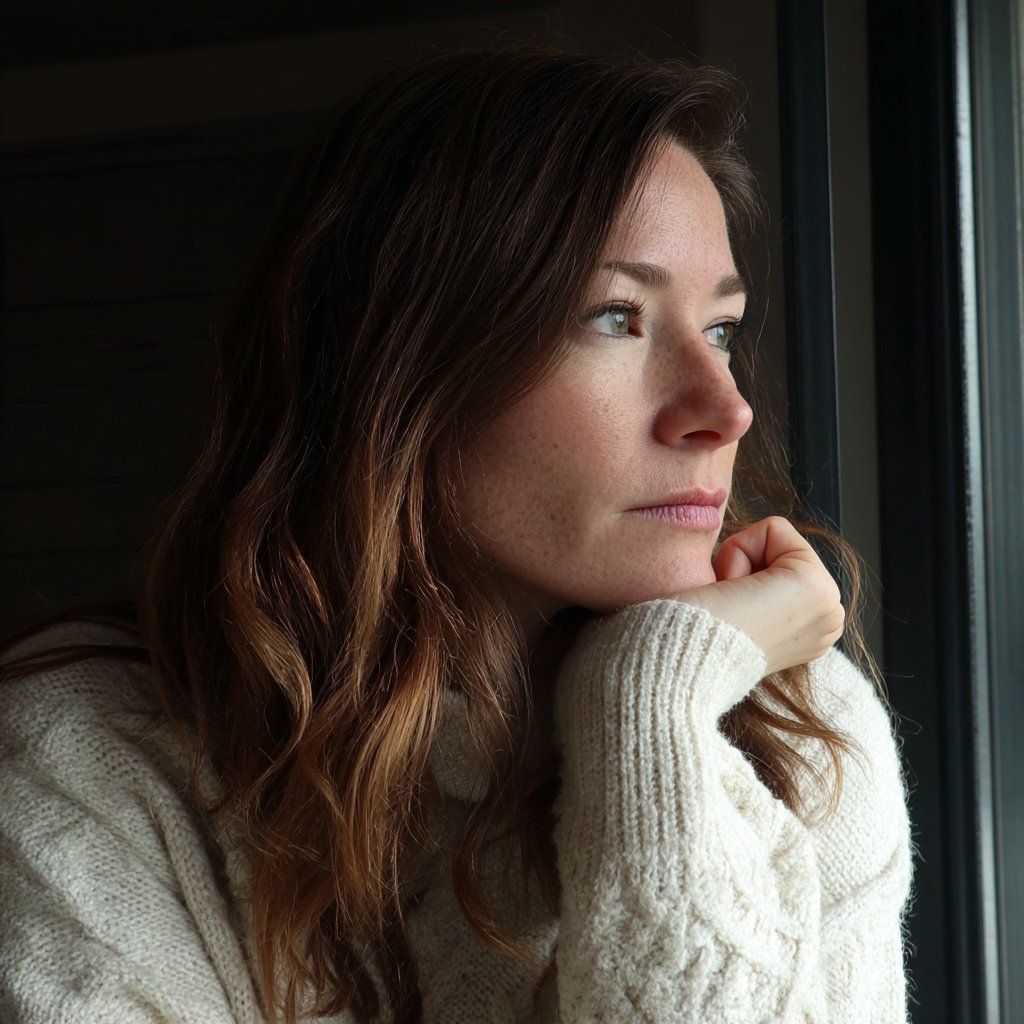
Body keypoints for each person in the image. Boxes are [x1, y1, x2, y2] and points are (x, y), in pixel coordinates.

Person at [0, 48, 913, 1023]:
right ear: (405, 368)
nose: (721, 410)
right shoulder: (89, 758)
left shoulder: (798, 731)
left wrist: (649, 702)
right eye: (616, 317)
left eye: (721, 329)